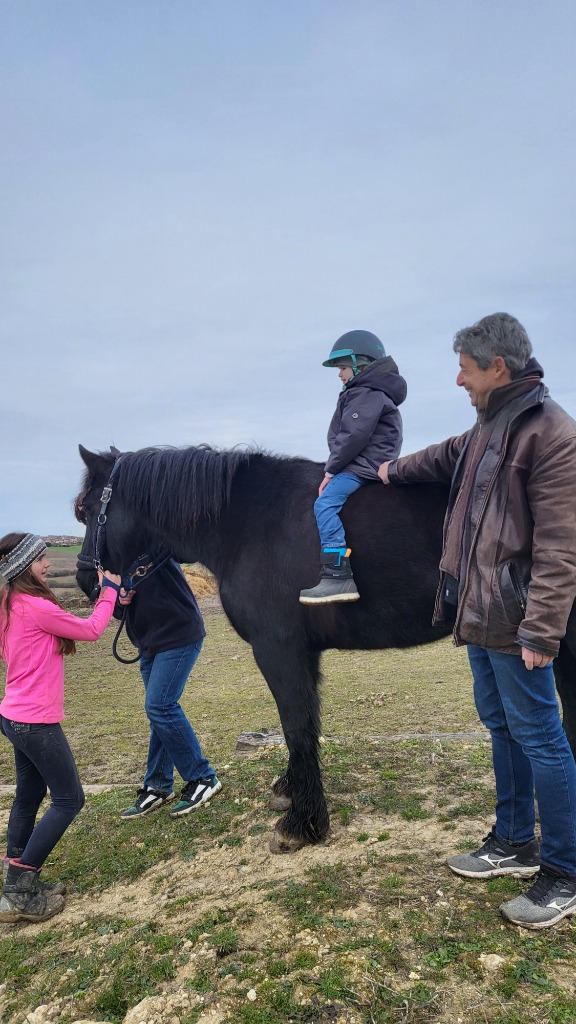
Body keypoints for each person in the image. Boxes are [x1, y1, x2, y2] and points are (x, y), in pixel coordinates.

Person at [378, 312, 576, 929]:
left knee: (542, 737)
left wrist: (542, 630)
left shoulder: (552, 435)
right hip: (479, 611)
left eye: (465, 368)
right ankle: (513, 842)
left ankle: (566, 872)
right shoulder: (489, 426)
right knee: (501, 725)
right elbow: (444, 458)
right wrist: (387, 471)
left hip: (518, 621)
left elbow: (561, 547)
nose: (457, 379)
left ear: (498, 368)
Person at [0, 532, 121, 923]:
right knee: (69, 799)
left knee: (28, 796)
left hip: (14, 716)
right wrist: (110, 592)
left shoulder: (9, 604)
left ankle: (14, 886)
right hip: (35, 721)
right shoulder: (33, 606)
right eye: (40, 559)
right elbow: (90, 631)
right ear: (23, 568)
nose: (48, 564)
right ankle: (20, 891)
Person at [299, 329, 407, 604]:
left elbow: (353, 436)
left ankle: (337, 572)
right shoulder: (368, 392)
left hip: (361, 466)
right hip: (365, 462)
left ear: (361, 364)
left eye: (343, 367)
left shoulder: (366, 393)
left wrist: (331, 470)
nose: (340, 374)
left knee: (324, 504)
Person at [115, 558, 221, 820]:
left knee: (160, 706)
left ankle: (203, 777)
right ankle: (159, 785)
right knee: (158, 714)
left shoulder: (156, 542)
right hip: (150, 644)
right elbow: (120, 613)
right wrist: (120, 600)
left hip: (179, 636)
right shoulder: (115, 560)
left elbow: (185, 551)